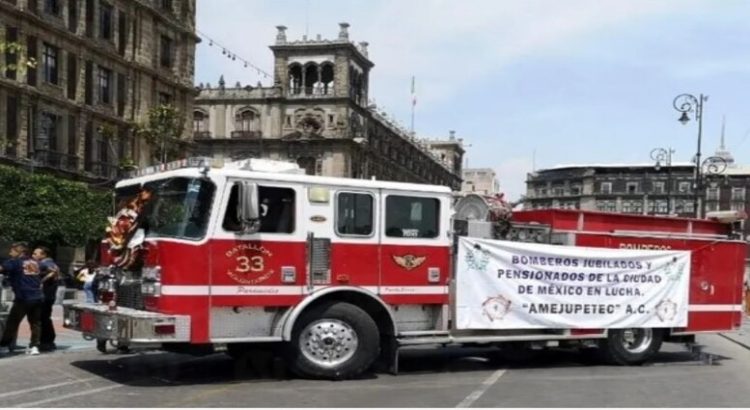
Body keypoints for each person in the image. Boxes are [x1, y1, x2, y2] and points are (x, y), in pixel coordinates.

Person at [0, 242, 43, 356]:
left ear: (20, 252)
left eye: (13, 251)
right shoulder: (34, 262)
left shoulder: (15, 262)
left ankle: (4, 345)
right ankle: (34, 346)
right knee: (35, 323)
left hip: (23, 297)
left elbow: (2, 268)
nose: (10, 253)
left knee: (12, 323)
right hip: (37, 296)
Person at [32, 246, 59, 352]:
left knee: (43, 318)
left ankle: (47, 341)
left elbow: (53, 272)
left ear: (44, 255)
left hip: (46, 296)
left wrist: (40, 281)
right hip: (48, 296)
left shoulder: (46, 263)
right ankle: (47, 341)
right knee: (44, 318)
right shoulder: (49, 263)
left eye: (36, 253)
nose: (33, 255)